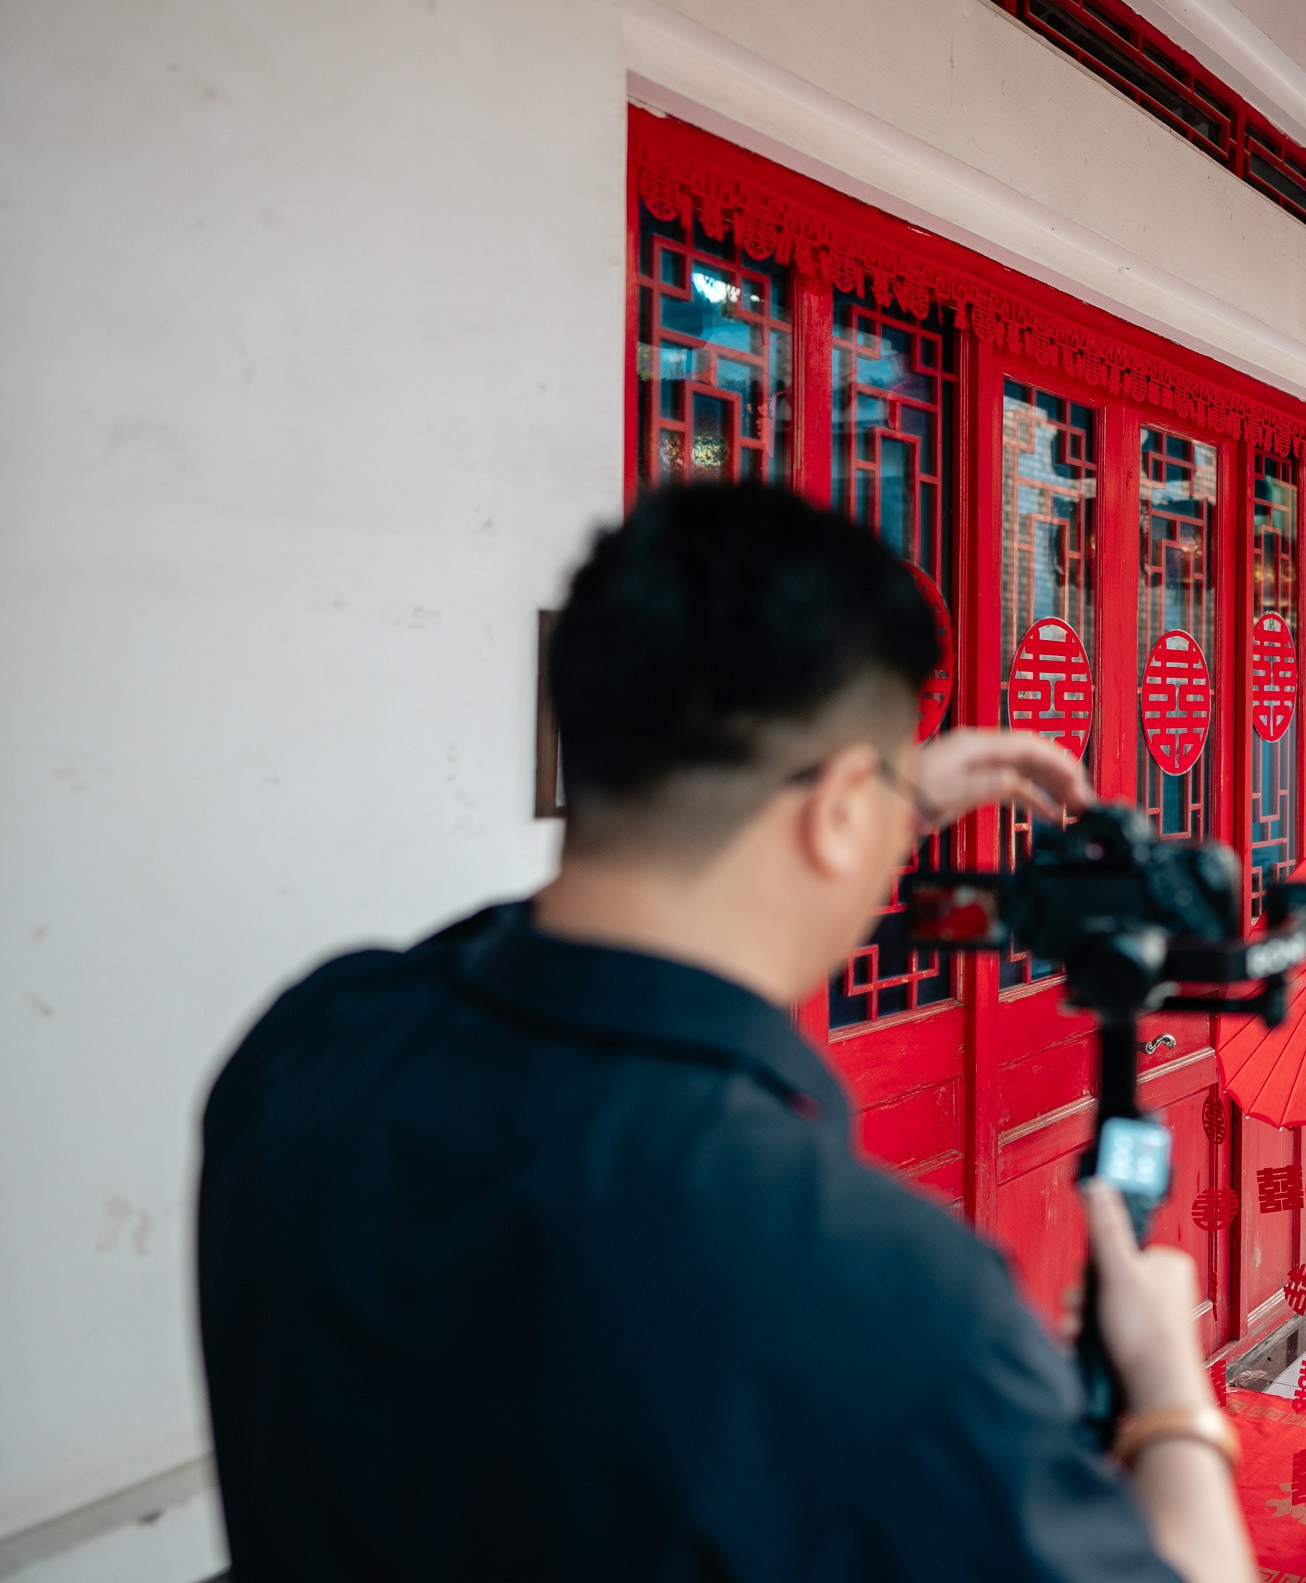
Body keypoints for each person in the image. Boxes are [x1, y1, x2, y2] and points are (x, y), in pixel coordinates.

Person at [195, 483, 1252, 1583]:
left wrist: (869, 802)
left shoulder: (305, 1051)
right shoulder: (889, 1302)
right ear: (840, 809)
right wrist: (1170, 1393)